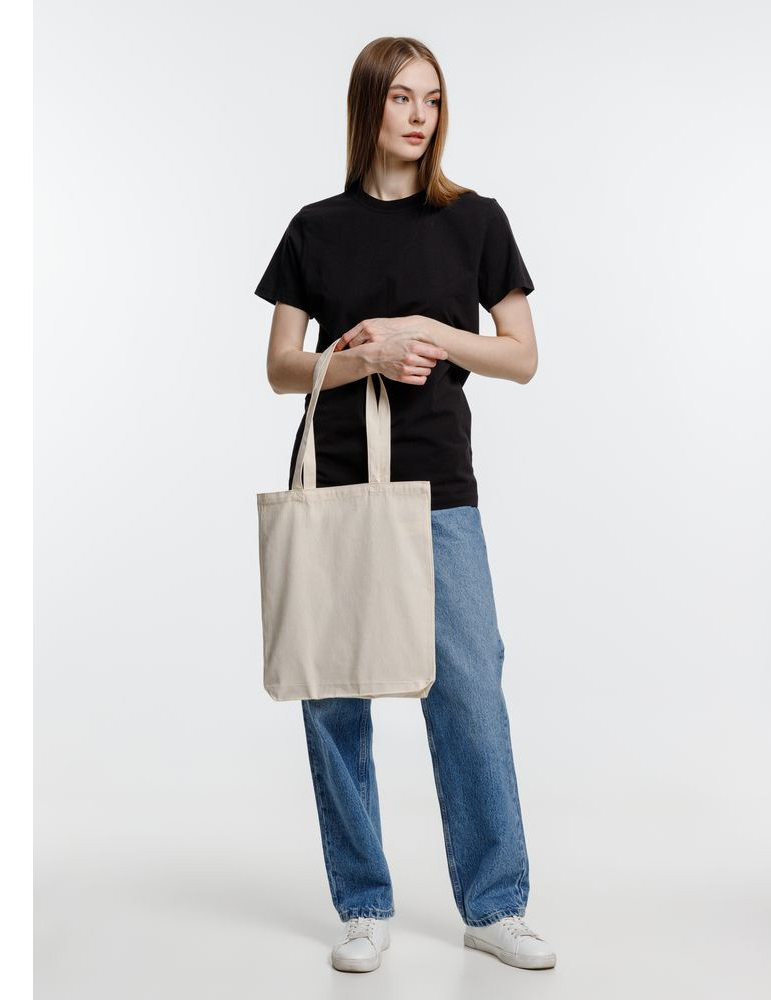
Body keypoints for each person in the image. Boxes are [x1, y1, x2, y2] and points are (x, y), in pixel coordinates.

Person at [254, 36, 555, 973]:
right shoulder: (314, 228)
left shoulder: (475, 221)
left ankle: (494, 905)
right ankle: (362, 904)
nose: (420, 116)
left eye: (432, 100)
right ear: (368, 108)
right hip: (336, 484)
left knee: (469, 691)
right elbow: (282, 368)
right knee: (334, 693)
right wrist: (367, 359)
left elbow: (521, 356)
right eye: (401, 99)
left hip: (439, 486)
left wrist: (429, 331)